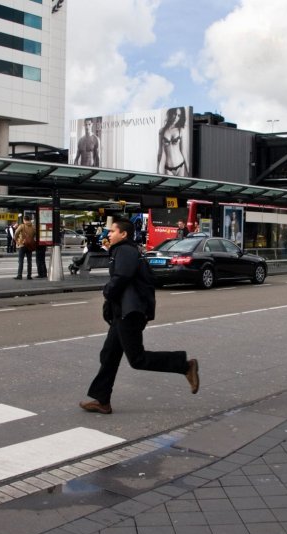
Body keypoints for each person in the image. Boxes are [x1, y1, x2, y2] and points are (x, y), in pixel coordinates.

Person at [79, 217, 200, 415]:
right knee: (108, 355)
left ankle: (185, 365)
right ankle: (102, 400)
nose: (109, 234)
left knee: (137, 359)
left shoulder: (125, 250)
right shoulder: (127, 250)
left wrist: (107, 291)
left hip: (130, 312)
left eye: (112, 231)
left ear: (123, 234)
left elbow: (123, 276)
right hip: (124, 312)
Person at [157, 107, 189, 176]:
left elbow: (183, 150)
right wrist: (158, 168)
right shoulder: (161, 131)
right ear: (171, 114)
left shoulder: (181, 130)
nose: (176, 117)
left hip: (180, 165)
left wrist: (188, 168)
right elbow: (160, 151)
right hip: (168, 168)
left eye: (179, 115)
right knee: (169, 186)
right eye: (175, 114)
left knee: (182, 186)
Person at [14, 215, 36, 280]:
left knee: (21, 261)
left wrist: (17, 241)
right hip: (30, 245)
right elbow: (35, 234)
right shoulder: (33, 227)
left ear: (24, 220)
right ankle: (29, 275)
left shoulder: (22, 226)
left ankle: (19, 275)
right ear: (29, 220)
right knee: (29, 261)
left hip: (22, 245)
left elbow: (16, 233)